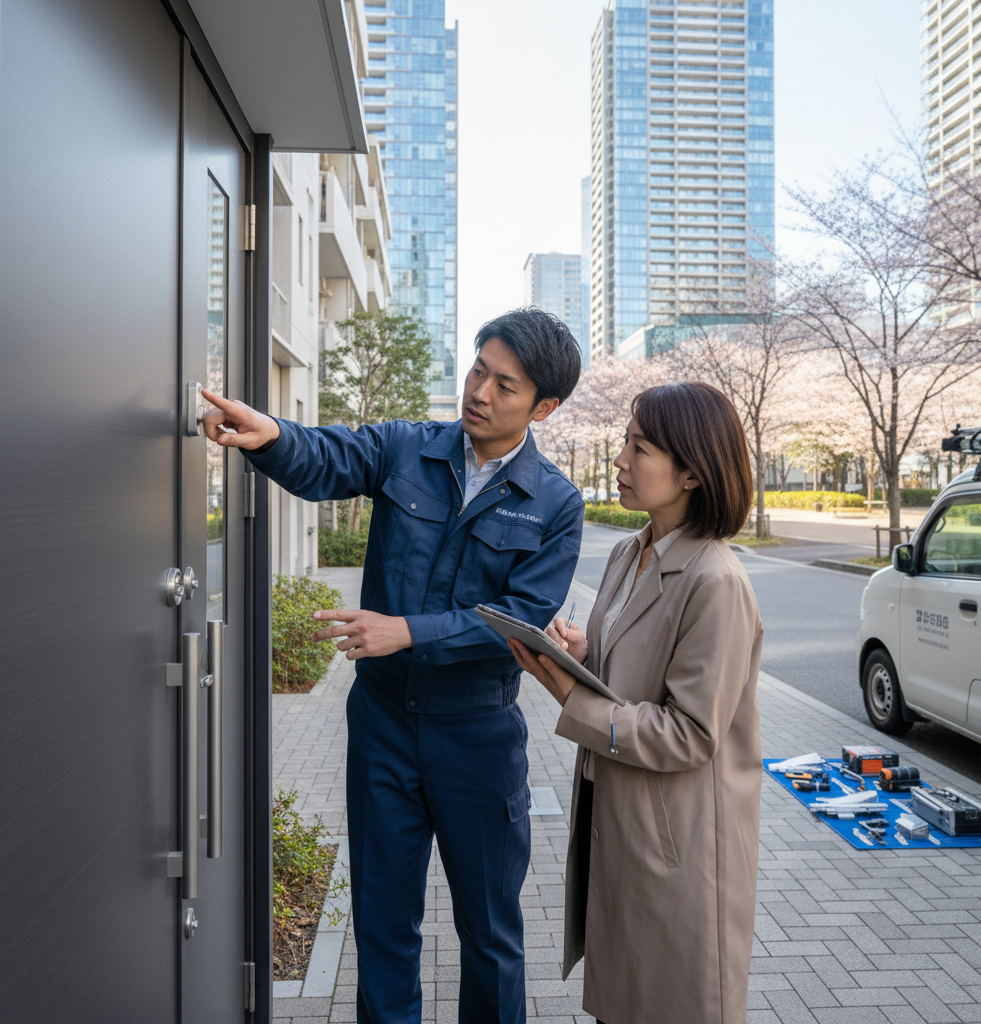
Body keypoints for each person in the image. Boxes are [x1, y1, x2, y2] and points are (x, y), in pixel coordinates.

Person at [201, 308, 584, 1024]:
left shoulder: (556, 503)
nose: (480, 392)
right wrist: (273, 435)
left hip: (478, 737)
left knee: (491, 937)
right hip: (382, 725)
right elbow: (327, 457)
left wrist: (408, 630)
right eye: (478, 369)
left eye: (506, 385)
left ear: (545, 406)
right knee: (382, 926)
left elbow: (524, 618)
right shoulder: (408, 448)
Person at [508, 381, 763, 1024]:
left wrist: (572, 696)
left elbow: (691, 734)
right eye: (625, 442)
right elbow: (630, 676)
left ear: (693, 472)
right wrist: (581, 655)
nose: (619, 460)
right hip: (622, 823)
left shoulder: (717, 581)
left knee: (668, 1001)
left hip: (678, 845)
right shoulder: (630, 551)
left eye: (639, 447)